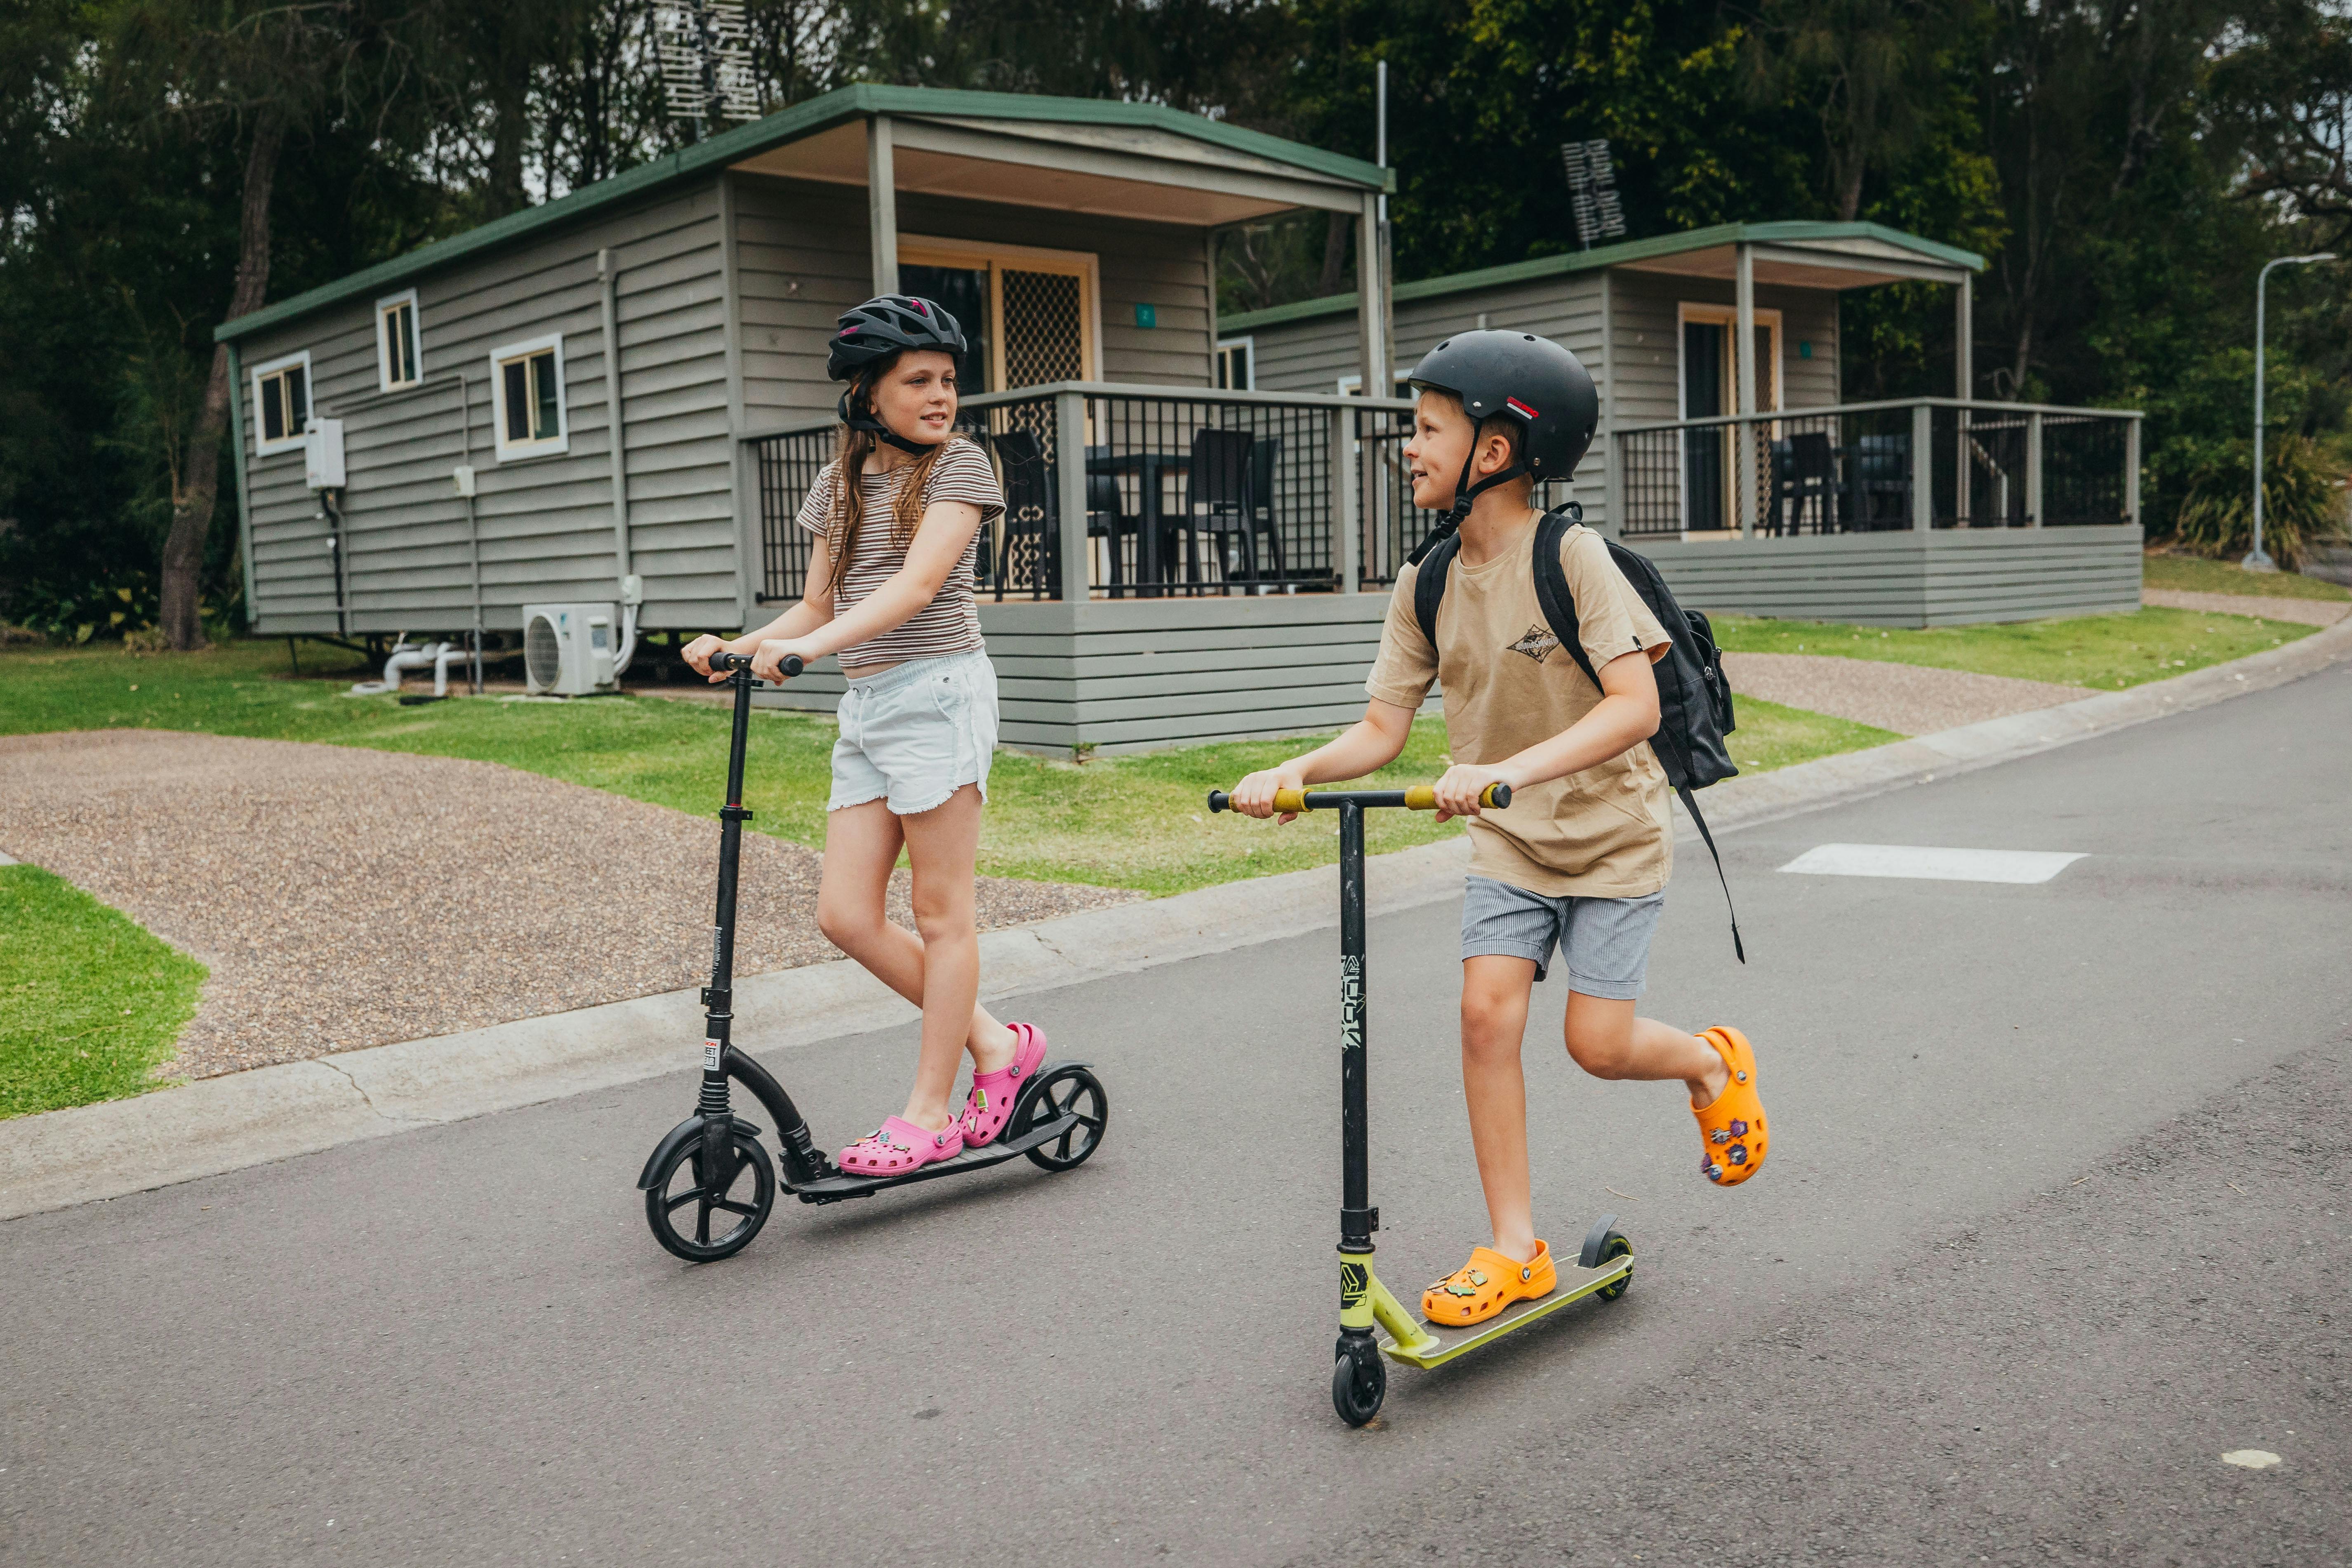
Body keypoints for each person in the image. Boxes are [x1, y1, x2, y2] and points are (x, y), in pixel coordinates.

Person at [1228, 330, 1767, 1326]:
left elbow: (1634, 709)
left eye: (1429, 428)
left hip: (1608, 836)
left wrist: (1502, 771)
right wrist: (1293, 770)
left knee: (1596, 1046)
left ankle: (1705, 1061)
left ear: (1497, 450)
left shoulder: (1573, 557)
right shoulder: (1424, 582)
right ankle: (1514, 1247)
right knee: (1484, 1016)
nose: (1409, 446)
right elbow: (1382, 730)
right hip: (1509, 845)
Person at [683, 294, 1045, 1177]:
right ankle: (999, 1044)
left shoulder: (960, 468)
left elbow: (915, 589)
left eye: (947, 380)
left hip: (938, 694)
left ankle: (929, 1108)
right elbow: (818, 601)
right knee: (844, 914)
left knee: (938, 913)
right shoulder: (838, 481)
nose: (939, 396)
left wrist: (803, 649)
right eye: (916, 380)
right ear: (865, 394)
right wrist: (743, 643)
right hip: (869, 704)